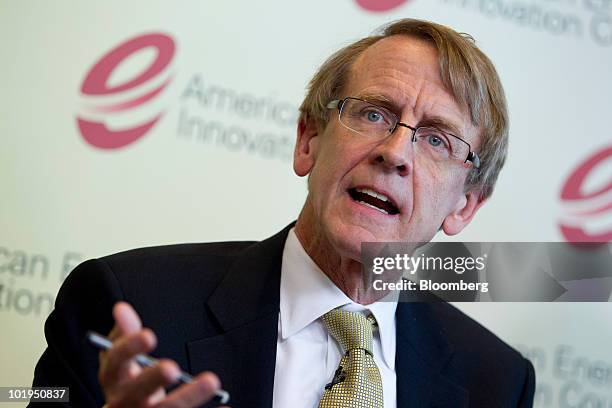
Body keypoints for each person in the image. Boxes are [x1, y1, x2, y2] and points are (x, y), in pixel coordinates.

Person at [29, 19, 535, 407]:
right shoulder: (129, 303)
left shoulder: (495, 381)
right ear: (308, 140)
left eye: (436, 139)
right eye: (373, 113)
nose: (395, 152)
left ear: (465, 205)